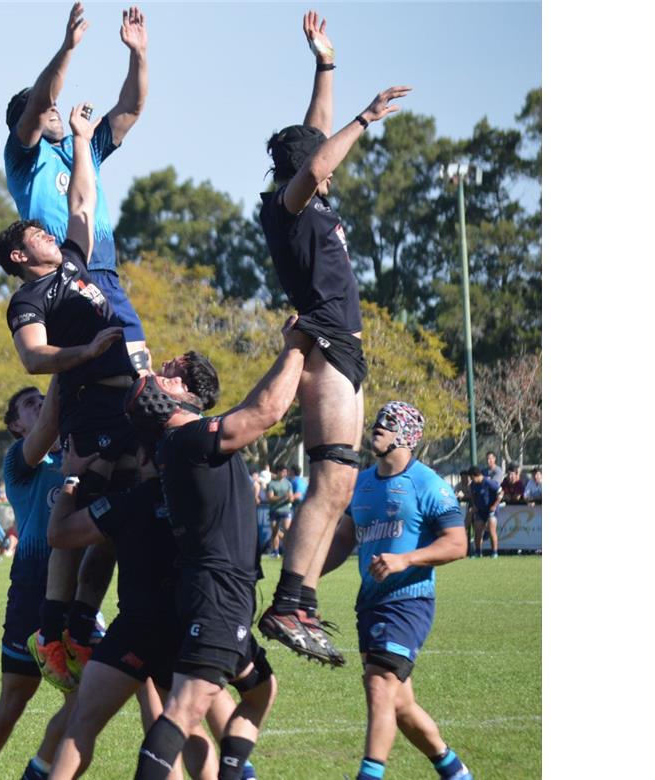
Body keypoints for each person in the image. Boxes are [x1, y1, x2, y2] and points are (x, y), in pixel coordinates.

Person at [255, 9, 412, 665]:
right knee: (333, 475)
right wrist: (368, 117)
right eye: (318, 161)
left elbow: (316, 135)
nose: (329, 165)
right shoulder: (286, 206)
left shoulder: (311, 198)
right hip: (325, 339)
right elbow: (320, 154)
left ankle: (301, 599)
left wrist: (326, 64)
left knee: (339, 483)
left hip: (339, 342)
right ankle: (290, 600)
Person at [129, 315, 308, 780]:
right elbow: (267, 410)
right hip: (217, 592)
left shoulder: (182, 442)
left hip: (218, 590)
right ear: (176, 398)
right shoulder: (188, 440)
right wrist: (296, 347)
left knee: (260, 692)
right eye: (162, 377)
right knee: (186, 710)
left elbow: (252, 407)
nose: (162, 372)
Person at [0, 97, 128, 691]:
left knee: (118, 511)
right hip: (90, 401)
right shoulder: (29, 301)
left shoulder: (74, 264)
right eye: (36, 234)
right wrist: (87, 353)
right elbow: (34, 357)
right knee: (86, 507)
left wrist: (80, 137)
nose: (51, 234)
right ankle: (53, 632)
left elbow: (82, 200)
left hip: (118, 393)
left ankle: (76, 623)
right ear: (21, 256)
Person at [44, 443, 262, 780]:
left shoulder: (128, 502)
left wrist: (72, 477)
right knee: (186, 727)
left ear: (144, 458)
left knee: (82, 725)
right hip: (188, 626)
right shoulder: (198, 500)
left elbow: (59, 534)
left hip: (136, 629)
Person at [319, 401, 474, 780]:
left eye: (387, 423)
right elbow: (342, 539)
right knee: (400, 705)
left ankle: (369, 776)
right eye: (377, 421)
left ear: (406, 434)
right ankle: (456, 772)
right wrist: (305, 578)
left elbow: (457, 543)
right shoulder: (364, 482)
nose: (377, 427)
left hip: (408, 602)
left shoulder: (428, 484)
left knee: (379, 684)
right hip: (370, 603)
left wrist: (406, 560)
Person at [5, 2, 151, 364]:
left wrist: (139, 55)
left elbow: (130, 108)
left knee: (137, 369)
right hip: (61, 280)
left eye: (57, 104)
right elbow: (40, 102)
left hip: (104, 273)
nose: (54, 108)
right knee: (85, 375)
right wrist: (68, 47)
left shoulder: (82, 143)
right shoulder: (23, 159)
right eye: (46, 106)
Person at [0, 383, 73, 780]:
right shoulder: (20, 460)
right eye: (30, 405)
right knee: (14, 699)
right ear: (15, 425)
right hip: (33, 590)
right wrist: (63, 369)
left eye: (42, 401)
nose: (41, 405)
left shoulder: (78, 453)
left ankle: (39, 771)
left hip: (78, 595)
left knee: (87, 697)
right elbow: (45, 430)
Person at [466, 466, 502, 559]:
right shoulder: (473, 484)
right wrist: (474, 505)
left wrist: (494, 505)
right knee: (478, 531)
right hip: (480, 510)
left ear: (476, 475)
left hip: (491, 510)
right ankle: (478, 552)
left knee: (491, 530)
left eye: (471, 477)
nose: (471, 479)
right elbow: (473, 495)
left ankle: (494, 552)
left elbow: (501, 492)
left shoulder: (488, 482)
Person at [265, 466, 293, 559]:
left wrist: (290, 498)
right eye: (283, 472)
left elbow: (291, 497)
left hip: (286, 510)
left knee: (287, 530)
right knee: (275, 531)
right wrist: (282, 497)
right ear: (278, 472)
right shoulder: (272, 484)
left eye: (286, 472)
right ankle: (275, 552)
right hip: (274, 510)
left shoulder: (288, 483)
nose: (285, 474)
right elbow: (270, 498)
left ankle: (289, 551)